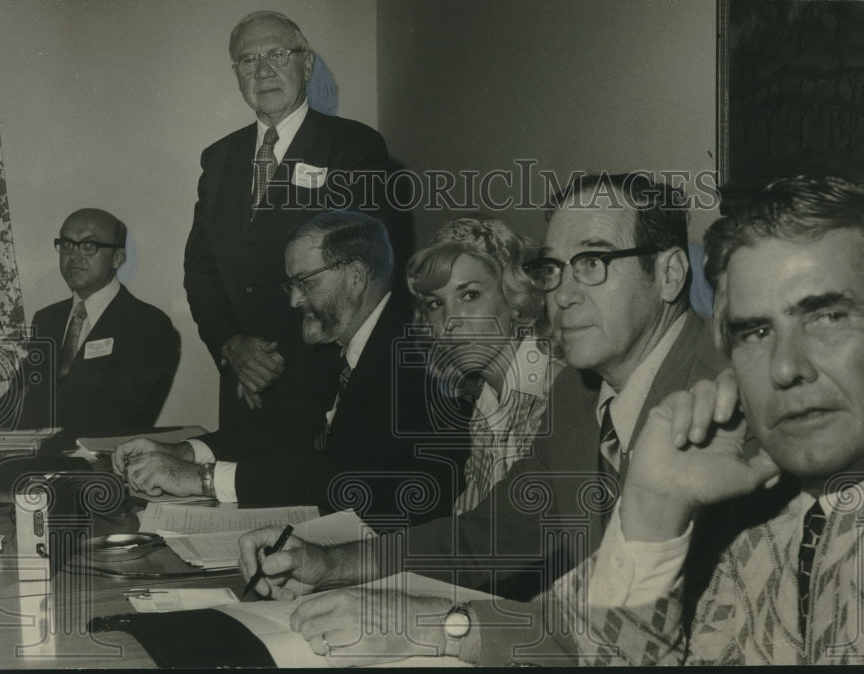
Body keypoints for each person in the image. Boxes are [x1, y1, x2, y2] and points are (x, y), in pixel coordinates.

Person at [491, 176, 864, 665]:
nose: (785, 368)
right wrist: (655, 507)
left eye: (828, 318)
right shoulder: (784, 482)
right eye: (756, 331)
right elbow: (587, 641)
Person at [237, 171, 732, 631]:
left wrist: (429, 625)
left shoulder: (729, 397)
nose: (562, 295)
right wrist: (331, 565)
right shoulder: (579, 394)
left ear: (669, 274)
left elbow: (630, 626)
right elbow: (487, 535)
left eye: (593, 263)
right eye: (553, 268)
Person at [114, 211, 464, 526]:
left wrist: (202, 478)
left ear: (356, 276)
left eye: (305, 282)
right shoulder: (339, 344)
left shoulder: (414, 352)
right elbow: (282, 432)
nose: (294, 300)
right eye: (291, 284)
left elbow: (346, 477)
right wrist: (184, 452)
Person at [184, 10, 389, 431]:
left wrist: (267, 362)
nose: (263, 71)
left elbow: (357, 275)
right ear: (237, 73)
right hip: (243, 385)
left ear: (307, 63)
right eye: (248, 60)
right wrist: (231, 345)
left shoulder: (354, 147)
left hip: (322, 383)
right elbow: (201, 269)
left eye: (277, 54)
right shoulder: (219, 159)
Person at [406, 215, 563, 514]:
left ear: (514, 298)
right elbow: (472, 527)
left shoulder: (557, 391)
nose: (449, 321)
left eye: (470, 295)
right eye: (435, 304)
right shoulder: (485, 403)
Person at [0, 209, 179, 437]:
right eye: (67, 244)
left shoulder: (148, 324)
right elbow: (4, 410)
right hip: (39, 462)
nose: (74, 256)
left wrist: (34, 398)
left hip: (103, 466)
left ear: (118, 257)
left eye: (89, 245)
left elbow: (111, 419)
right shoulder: (46, 319)